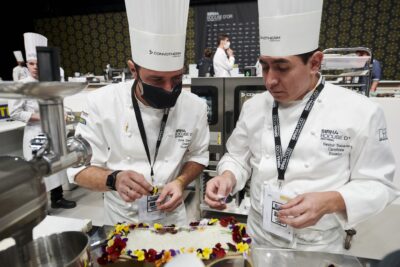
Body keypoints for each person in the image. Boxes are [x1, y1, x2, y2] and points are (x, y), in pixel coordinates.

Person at [205, 0, 399, 252]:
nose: (270, 80)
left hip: (317, 246)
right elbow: (238, 157)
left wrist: (332, 201)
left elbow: (380, 185)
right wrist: (227, 176)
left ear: (315, 62)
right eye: (264, 66)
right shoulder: (254, 107)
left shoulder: (360, 111)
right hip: (257, 237)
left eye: (282, 67)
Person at [67, 0, 209, 226]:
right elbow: (77, 169)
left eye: (177, 78)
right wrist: (114, 179)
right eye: (156, 79)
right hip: (123, 218)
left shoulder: (195, 107)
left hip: (173, 216)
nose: (168, 88)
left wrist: (181, 182)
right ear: (134, 70)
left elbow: (198, 156)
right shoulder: (101, 103)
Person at [8, 32, 76, 209]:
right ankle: (40, 205)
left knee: (56, 165)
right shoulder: (22, 85)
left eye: (38, 63)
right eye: (31, 64)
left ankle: (58, 198)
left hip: (53, 131)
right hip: (34, 133)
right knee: (39, 170)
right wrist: (42, 116)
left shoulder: (51, 81)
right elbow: (14, 112)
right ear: (27, 65)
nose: (35, 67)